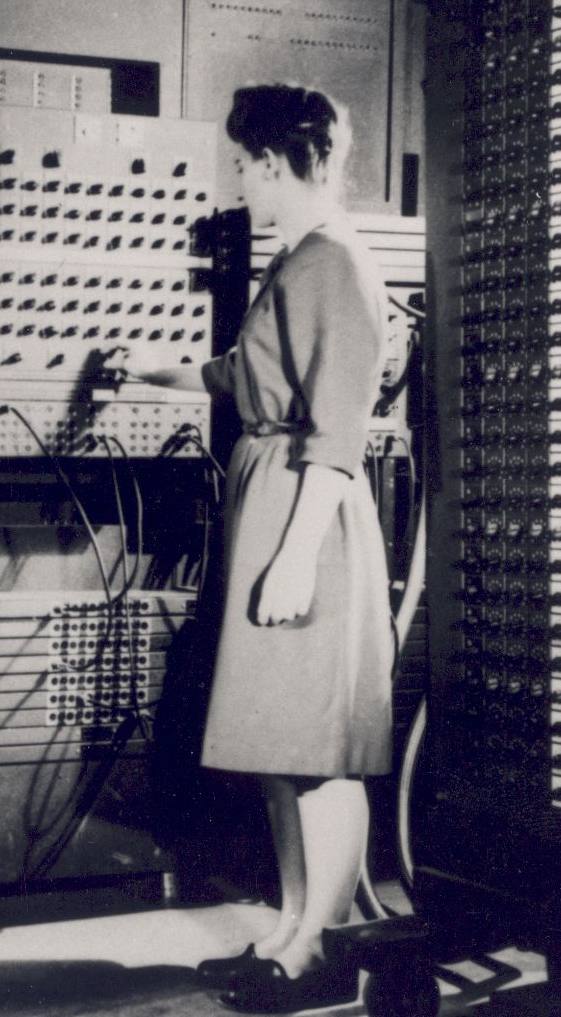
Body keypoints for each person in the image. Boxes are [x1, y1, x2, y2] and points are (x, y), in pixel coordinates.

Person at [134, 83, 394, 1014]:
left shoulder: (334, 264)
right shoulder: (300, 263)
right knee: (278, 743)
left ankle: (318, 952)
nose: (239, 182)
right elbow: (240, 375)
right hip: (272, 501)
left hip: (305, 517)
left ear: (279, 165)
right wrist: (145, 371)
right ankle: (292, 928)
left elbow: (337, 430)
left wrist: (291, 555)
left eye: (245, 166)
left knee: (315, 748)